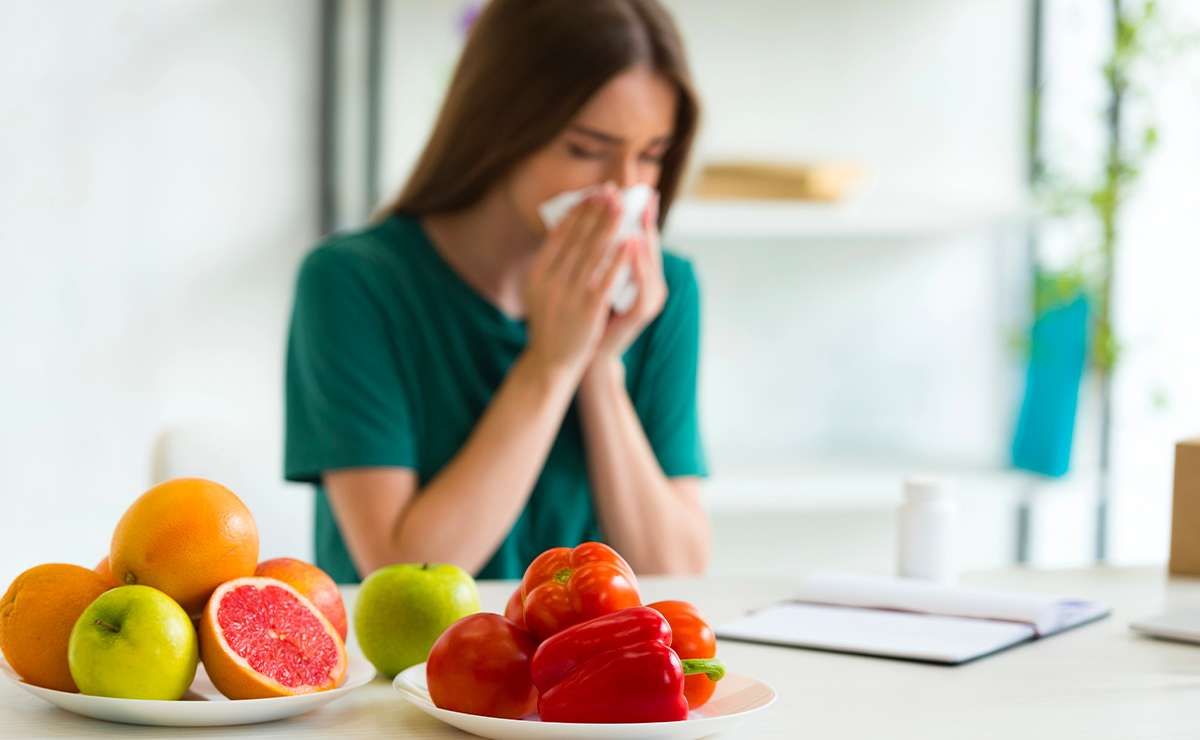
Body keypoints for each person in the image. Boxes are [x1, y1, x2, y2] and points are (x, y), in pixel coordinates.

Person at [284, 0, 709, 583]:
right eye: (584, 150)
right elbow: (405, 576)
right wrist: (550, 363)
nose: (622, 189)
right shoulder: (353, 283)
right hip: (408, 672)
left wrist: (599, 365)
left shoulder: (663, 292)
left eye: (651, 156)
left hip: (584, 669)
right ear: (500, 128)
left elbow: (678, 572)